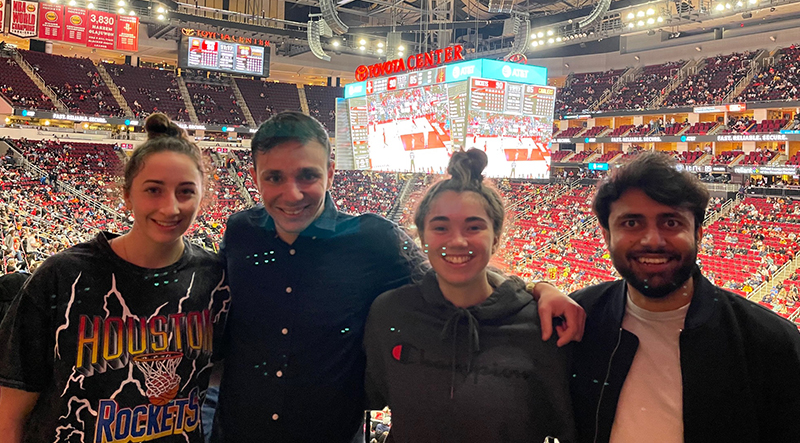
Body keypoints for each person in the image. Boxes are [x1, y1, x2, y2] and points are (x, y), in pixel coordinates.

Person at [211, 111, 584, 443]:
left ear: (330, 171)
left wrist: (537, 288)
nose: (292, 193)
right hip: (237, 431)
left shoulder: (375, 239)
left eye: (307, 175)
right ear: (255, 176)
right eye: (274, 177)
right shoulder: (240, 230)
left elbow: (450, 271)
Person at [0, 114, 230, 443]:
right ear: (127, 194)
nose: (170, 208)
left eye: (185, 191)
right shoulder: (62, 276)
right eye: (154, 190)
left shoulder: (215, 280)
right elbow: (10, 415)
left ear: (202, 197)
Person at [569, 151, 800, 443]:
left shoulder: (770, 342)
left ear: (699, 233)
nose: (652, 240)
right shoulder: (577, 319)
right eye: (631, 223)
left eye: (671, 223)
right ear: (606, 235)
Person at [364, 149, 576, 442]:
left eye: (474, 227)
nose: (458, 241)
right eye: (440, 227)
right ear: (423, 239)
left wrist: (541, 287)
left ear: (497, 237)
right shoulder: (390, 312)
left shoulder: (542, 327)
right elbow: (374, 393)